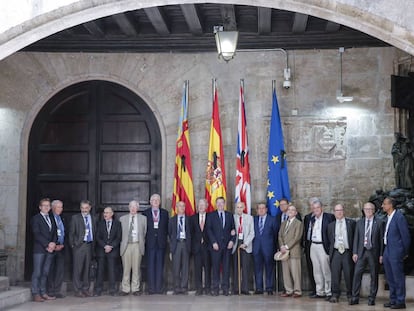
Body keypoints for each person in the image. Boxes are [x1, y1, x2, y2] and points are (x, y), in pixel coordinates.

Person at [350, 202, 384, 306]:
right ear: (363, 210)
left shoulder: (379, 222)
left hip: (373, 252)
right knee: (356, 274)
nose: (368, 211)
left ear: (373, 210)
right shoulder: (359, 222)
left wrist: (381, 254)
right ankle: (354, 297)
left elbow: (381, 240)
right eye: (366, 209)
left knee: (374, 275)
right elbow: (356, 238)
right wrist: (355, 252)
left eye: (370, 209)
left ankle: (371, 298)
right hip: (361, 252)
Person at [382, 197, 411, 309]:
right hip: (387, 249)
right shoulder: (388, 217)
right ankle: (393, 299)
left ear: (390, 205)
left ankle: (400, 301)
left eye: (384, 204)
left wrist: (404, 251)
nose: (382, 206)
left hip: (396, 251)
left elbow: (406, 236)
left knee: (398, 277)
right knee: (390, 277)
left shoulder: (399, 217)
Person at [206, 196, 236, 296]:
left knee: (226, 268)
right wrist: (213, 242)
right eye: (218, 203)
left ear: (224, 204)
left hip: (227, 246)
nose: (220, 205)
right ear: (216, 204)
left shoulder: (229, 215)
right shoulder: (210, 215)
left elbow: (233, 230)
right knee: (215, 268)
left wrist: (232, 241)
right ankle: (215, 289)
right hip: (215, 247)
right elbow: (209, 230)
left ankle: (225, 288)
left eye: (221, 203)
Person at [327, 204, 356, 303]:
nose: (339, 212)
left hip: (347, 252)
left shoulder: (351, 223)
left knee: (349, 274)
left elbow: (355, 238)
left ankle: (350, 294)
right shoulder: (330, 226)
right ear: (334, 212)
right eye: (336, 210)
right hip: (336, 252)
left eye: (340, 210)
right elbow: (329, 240)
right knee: (335, 275)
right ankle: (335, 294)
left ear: (344, 211)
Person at [31, 198, 57, 302]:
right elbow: (37, 234)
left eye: (48, 206)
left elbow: (55, 232)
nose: (46, 207)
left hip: (50, 250)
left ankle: (43, 292)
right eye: (44, 205)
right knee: (37, 272)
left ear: (50, 208)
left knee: (45, 272)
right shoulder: (36, 218)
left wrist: (53, 243)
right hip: (39, 249)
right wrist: (47, 244)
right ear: (40, 207)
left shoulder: (51, 218)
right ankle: (36, 293)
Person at [69, 200, 96, 297]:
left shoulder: (93, 218)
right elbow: (71, 233)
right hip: (79, 246)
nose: (84, 210)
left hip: (89, 245)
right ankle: (77, 290)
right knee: (78, 269)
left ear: (89, 208)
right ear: (80, 208)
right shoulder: (75, 218)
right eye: (82, 208)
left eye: (86, 208)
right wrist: (73, 245)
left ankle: (86, 288)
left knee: (87, 269)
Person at [119, 200, 147, 296]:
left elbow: (145, 232)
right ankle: (125, 288)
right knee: (126, 268)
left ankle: (135, 288)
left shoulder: (143, 219)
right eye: (131, 206)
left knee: (136, 268)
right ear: (129, 207)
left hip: (137, 244)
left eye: (135, 206)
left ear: (138, 208)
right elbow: (120, 233)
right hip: (126, 245)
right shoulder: (122, 219)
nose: (133, 208)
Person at [143, 193, 169, 294]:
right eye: (153, 200)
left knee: (160, 266)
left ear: (160, 202)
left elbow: (167, 228)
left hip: (161, 243)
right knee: (150, 266)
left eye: (157, 200)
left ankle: (159, 288)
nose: (155, 201)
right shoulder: (145, 213)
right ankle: (151, 288)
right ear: (150, 202)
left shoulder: (165, 213)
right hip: (150, 243)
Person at [309, 199, 335, 300]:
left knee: (326, 270)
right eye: (314, 208)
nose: (316, 210)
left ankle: (328, 292)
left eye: (317, 208)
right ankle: (320, 291)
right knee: (316, 270)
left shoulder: (328, 217)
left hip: (323, 246)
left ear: (321, 208)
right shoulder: (312, 219)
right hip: (313, 246)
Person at [94, 207, 122, 296]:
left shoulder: (117, 224)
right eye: (104, 213)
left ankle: (112, 289)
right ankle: (98, 289)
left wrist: (111, 246)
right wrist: (105, 246)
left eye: (107, 213)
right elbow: (97, 237)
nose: (105, 214)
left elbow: (118, 237)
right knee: (100, 270)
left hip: (113, 250)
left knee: (112, 270)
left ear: (112, 214)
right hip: (101, 250)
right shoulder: (100, 223)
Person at [278, 205, 304, 298]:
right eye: (289, 210)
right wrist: (281, 246)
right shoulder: (283, 223)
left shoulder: (298, 223)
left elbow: (297, 237)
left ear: (296, 213)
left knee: (295, 272)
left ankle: (297, 291)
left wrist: (286, 246)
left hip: (293, 251)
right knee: (286, 272)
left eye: (292, 210)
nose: (290, 211)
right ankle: (289, 290)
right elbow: (280, 235)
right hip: (284, 252)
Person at [253, 203, 278, 295]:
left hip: (269, 248)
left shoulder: (272, 219)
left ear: (266, 209)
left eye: (263, 208)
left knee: (269, 269)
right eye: (259, 208)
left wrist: (275, 248)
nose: (261, 210)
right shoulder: (254, 219)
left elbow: (276, 235)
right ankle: (259, 288)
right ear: (257, 210)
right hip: (256, 248)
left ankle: (269, 288)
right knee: (257, 269)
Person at [169, 201, 191, 294]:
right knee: (176, 267)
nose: (181, 208)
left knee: (185, 267)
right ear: (176, 208)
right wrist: (171, 247)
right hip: (176, 244)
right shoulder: (172, 220)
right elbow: (169, 233)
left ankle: (184, 287)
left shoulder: (189, 219)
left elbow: (191, 233)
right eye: (179, 206)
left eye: (183, 206)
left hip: (185, 244)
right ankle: (176, 287)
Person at [232, 202, 254, 295]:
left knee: (245, 267)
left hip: (245, 245)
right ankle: (236, 288)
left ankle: (245, 288)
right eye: (237, 207)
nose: (239, 209)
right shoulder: (232, 217)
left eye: (241, 207)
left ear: (244, 207)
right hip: (236, 244)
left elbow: (252, 233)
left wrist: (246, 243)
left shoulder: (249, 218)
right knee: (236, 268)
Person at [190, 198, 211, 296]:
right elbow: (191, 234)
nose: (201, 207)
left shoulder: (211, 217)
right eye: (199, 205)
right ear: (197, 207)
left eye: (203, 205)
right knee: (197, 269)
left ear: (207, 206)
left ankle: (207, 288)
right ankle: (199, 288)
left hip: (208, 248)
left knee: (207, 268)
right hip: (197, 248)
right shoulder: (193, 218)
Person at [47, 200, 65, 299]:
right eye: (58, 207)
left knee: (59, 270)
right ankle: (50, 290)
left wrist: (62, 244)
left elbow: (64, 232)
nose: (60, 209)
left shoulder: (62, 218)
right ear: (53, 208)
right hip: (51, 247)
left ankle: (57, 290)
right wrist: (54, 245)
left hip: (61, 248)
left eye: (61, 207)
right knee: (50, 269)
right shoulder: (49, 218)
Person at [303, 197, 318, 296]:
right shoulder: (307, 217)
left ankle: (320, 289)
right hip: (309, 244)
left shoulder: (324, 217)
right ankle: (313, 288)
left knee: (319, 268)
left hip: (318, 244)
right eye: (311, 205)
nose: (312, 207)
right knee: (310, 267)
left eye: (314, 205)